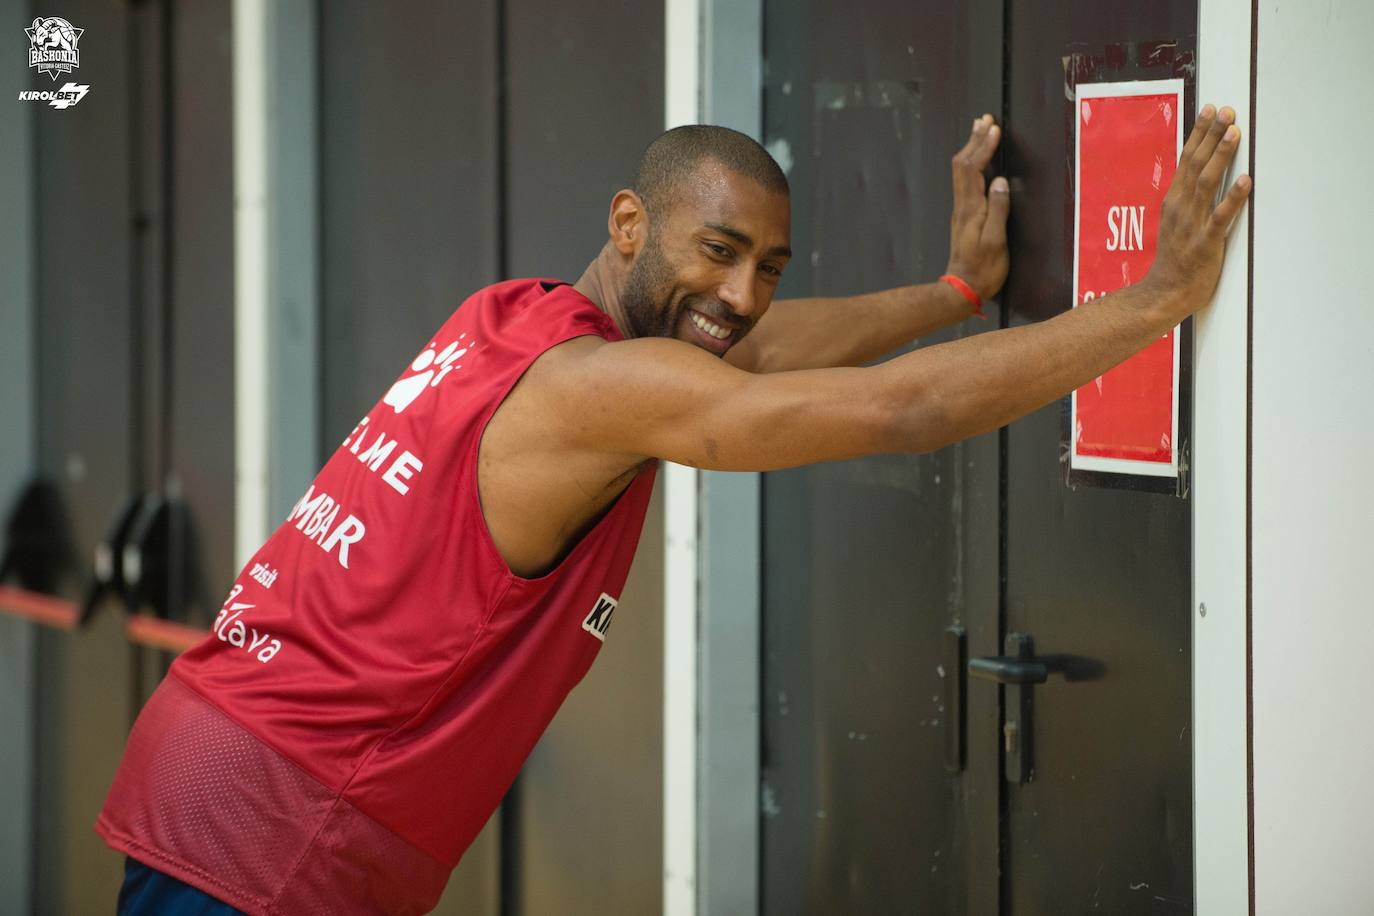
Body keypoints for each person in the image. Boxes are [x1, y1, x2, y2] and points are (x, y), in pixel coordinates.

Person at [97, 106, 1249, 915]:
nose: (744, 294)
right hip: (280, 819)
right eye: (720, 251)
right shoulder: (596, 389)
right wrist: (1153, 302)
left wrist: (951, 293)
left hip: (228, 756)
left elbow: (760, 349)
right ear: (630, 224)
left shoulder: (515, 315)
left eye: (770, 266)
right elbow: (898, 411)